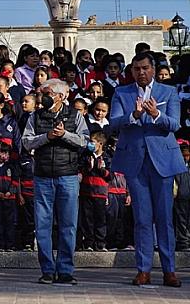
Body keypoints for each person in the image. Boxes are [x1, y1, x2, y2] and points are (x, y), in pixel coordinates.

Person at [108, 52, 184, 287]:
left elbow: (174, 124)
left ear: (153, 69)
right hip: (135, 162)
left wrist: (155, 114)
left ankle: (169, 270)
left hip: (162, 160)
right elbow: (113, 123)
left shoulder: (168, 92)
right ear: (131, 71)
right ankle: (143, 269)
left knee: (164, 218)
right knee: (142, 218)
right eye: (136, 69)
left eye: (144, 68)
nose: (141, 73)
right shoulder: (122, 93)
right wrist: (134, 115)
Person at [22, 78, 89, 285]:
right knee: (43, 226)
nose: (44, 97)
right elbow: (26, 142)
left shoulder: (75, 115)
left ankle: (66, 270)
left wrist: (65, 135)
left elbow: (85, 141)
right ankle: (47, 270)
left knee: (68, 225)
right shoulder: (35, 116)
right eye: (43, 93)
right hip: (42, 177)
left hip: (68, 176)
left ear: (61, 96)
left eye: (49, 93)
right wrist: (47, 136)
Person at [77, 131, 111, 251]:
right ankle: (88, 243)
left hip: (100, 193)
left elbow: (109, 176)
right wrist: (88, 167)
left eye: (92, 142)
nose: (90, 144)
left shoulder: (106, 157)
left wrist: (101, 169)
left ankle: (100, 243)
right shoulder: (86, 156)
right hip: (86, 192)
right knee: (87, 219)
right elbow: (80, 169)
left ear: (100, 144)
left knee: (100, 219)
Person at [174, 142, 190, 251]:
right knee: (181, 220)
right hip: (181, 196)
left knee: (186, 220)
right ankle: (182, 242)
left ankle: (185, 241)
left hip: (185, 194)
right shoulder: (176, 165)